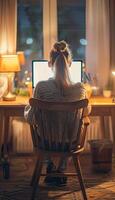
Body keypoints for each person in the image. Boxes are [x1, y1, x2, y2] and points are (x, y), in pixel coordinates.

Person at [24, 40, 91, 185]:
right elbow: (85, 112)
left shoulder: (41, 87)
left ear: (49, 64)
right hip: (71, 143)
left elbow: (31, 118)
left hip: (47, 142)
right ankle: (61, 169)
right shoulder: (80, 89)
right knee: (69, 128)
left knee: (43, 125)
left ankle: (50, 165)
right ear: (70, 63)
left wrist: (27, 110)